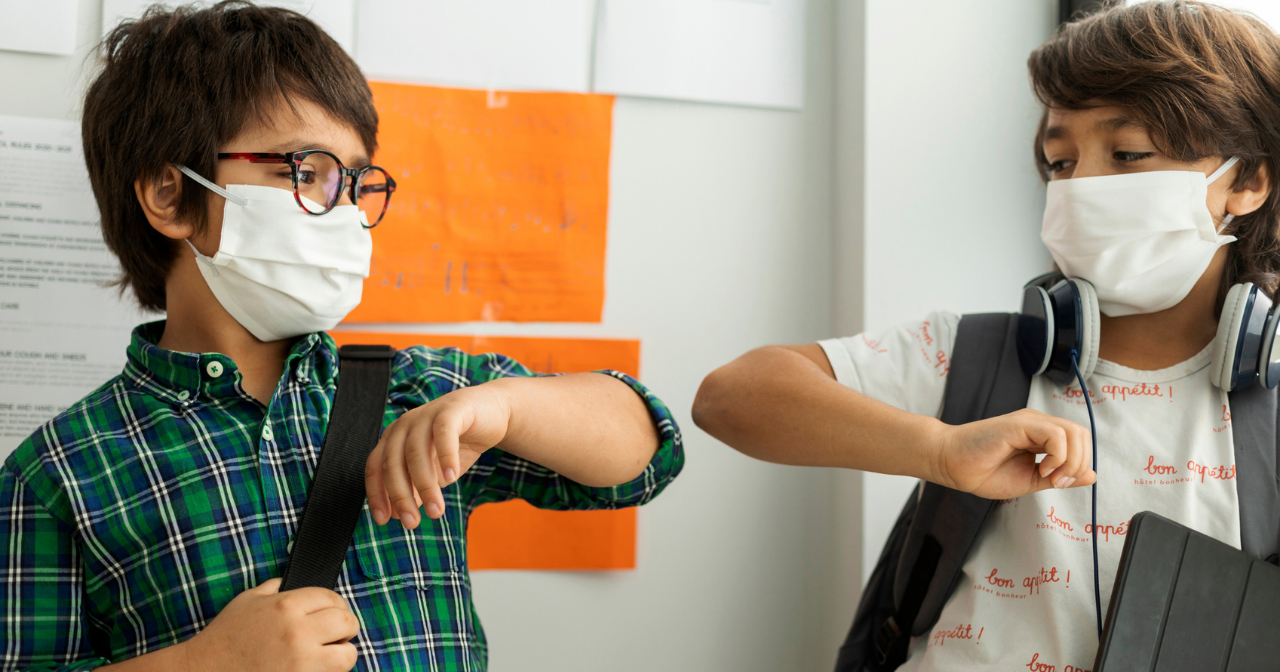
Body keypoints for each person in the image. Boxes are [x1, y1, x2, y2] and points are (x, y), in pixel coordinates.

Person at [0, 3, 683, 671]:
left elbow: (648, 452)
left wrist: (505, 406)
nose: (346, 214)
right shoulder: (59, 471)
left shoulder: (421, 392)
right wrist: (205, 664)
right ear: (170, 195)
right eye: (307, 172)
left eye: (354, 181)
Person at [694, 1, 1279, 670]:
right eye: (1060, 162)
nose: (1081, 185)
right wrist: (939, 451)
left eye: (1127, 154)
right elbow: (728, 397)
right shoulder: (974, 358)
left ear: (1248, 179)